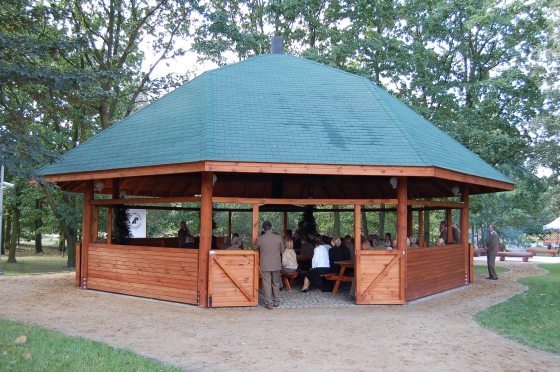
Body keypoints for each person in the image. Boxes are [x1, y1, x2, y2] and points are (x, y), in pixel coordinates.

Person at [252, 221, 285, 309]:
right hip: (276, 264)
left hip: (265, 264)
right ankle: (276, 301)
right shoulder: (278, 237)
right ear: (271, 227)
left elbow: (254, 248)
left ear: (263, 229)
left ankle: (269, 303)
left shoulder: (260, 238)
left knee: (266, 283)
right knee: (276, 282)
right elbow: (283, 251)